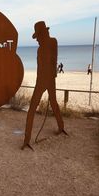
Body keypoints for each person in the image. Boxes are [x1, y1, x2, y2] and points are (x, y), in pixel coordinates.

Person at [22, 21, 67, 150]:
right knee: (43, 105)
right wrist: (49, 77)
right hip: (44, 80)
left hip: (46, 80)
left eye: (38, 37)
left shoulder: (52, 42)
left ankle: (61, 127)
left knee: (37, 107)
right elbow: (42, 66)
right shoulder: (43, 47)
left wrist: (52, 76)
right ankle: (27, 139)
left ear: (42, 34)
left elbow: (54, 61)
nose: (37, 41)